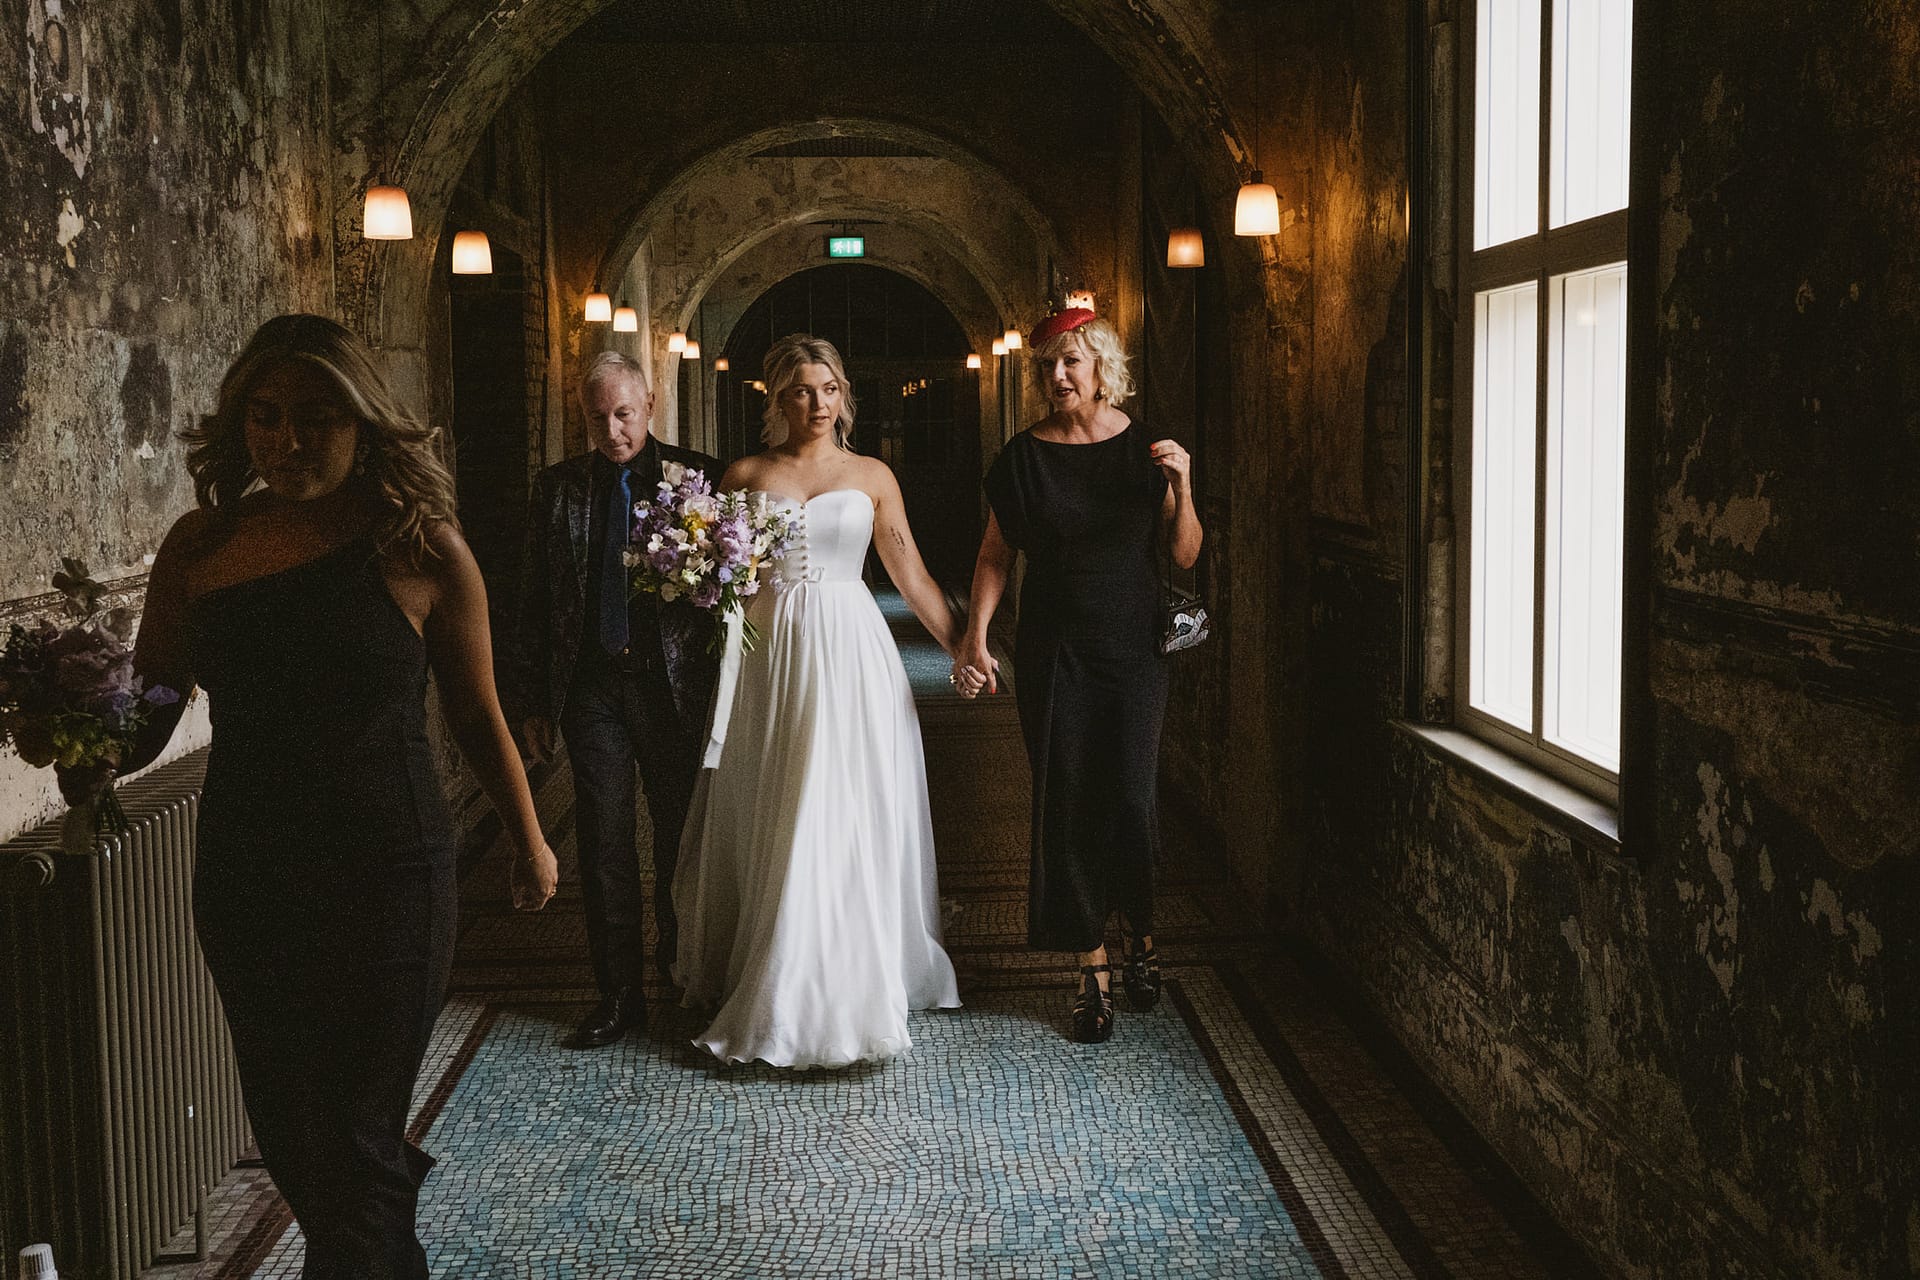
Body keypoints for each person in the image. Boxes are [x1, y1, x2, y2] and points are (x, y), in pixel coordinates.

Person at [121, 313, 558, 1279]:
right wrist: (62, 726)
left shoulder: (420, 547)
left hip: (388, 879)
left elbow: (478, 714)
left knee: (355, 1153)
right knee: (299, 1145)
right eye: (266, 417)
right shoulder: (201, 548)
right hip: (248, 879)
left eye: (316, 417)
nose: (287, 441)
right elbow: (147, 716)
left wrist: (531, 839)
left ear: (364, 422)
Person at [673, 333, 964, 1067]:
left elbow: (911, 574)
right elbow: (718, 581)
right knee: (776, 795)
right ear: (778, 398)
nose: (817, 403)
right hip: (771, 657)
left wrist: (967, 645)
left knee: (840, 802)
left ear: (844, 396)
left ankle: (840, 978)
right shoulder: (743, 474)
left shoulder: (871, 475)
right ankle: (769, 966)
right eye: (801, 390)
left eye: (828, 388)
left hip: (850, 648)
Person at [952, 308, 1202, 1044]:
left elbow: (1184, 556)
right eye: (1048, 367)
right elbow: (997, 553)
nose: (1058, 377)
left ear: (1100, 366)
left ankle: (1143, 934)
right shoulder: (1024, 457)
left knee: (1131, 797)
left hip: (1134, 650)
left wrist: (1184, 487)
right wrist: (976, 638)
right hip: (1055, 649)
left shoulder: (1144, 450)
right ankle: (1090, 967)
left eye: (1071, 363)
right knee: (1067, 799)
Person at [516, 349, 722, 1048]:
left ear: (650, 404)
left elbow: (727, 596)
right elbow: (535, 599)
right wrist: (534, 703)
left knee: (677, 834)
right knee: (604, 841)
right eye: (598, 417)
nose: (613, 430)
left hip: (670, 688)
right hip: (592, 688)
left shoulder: (696, 479)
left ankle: (681, 973)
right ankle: (618, 995)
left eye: (624, 414)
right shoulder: (558, 489)